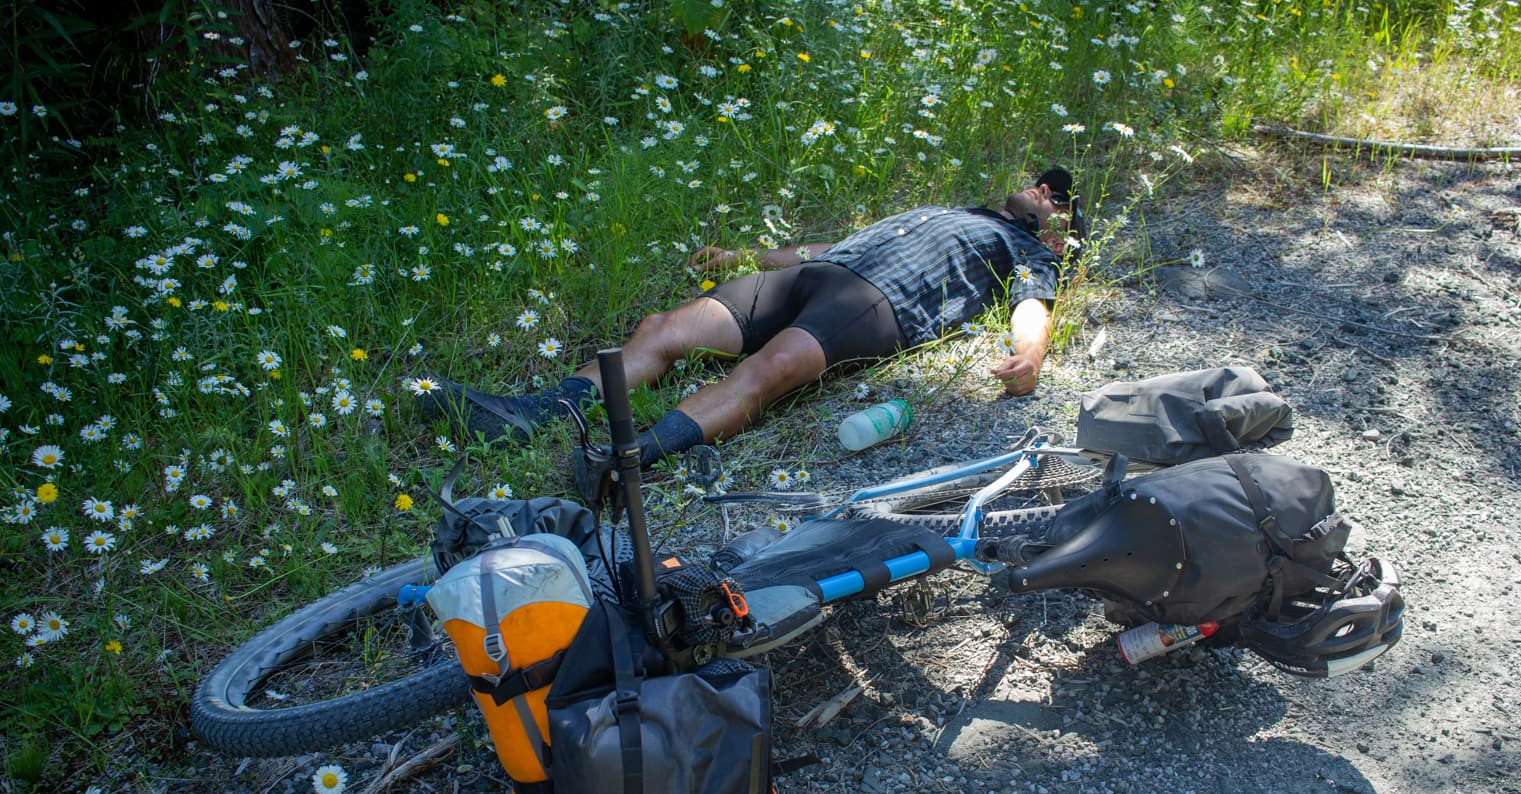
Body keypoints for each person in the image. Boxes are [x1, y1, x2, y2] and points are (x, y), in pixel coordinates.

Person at [418, 168, 1086, 473]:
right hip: (811, 276)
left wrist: (1028, 357)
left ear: (1057, 239)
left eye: (1058, 200)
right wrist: (745, 255)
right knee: (661, 328)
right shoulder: (962, 212)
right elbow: (828, 248)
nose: (1044, 190)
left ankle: (621, 462)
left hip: (875, 305)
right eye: (1045, 182)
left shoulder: (1027, 251)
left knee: (766, 371)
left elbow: (1033, 303)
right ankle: (540, 412)